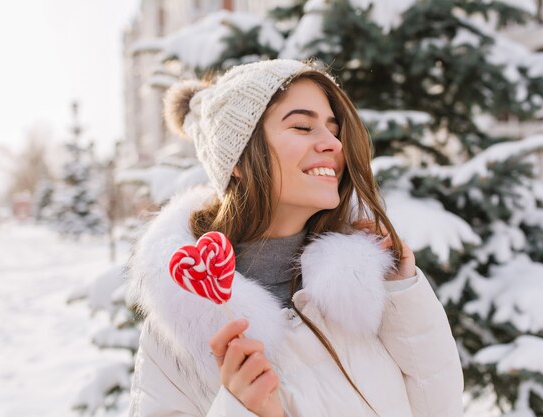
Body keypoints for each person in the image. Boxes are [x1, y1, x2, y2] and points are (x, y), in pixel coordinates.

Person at [127, 59, 464, 417]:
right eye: (303, 126)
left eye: (333, 130)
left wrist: (403, 293)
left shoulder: (363, 287)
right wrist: (239, 410)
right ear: (238, 161)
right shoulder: (173, 337)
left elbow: (440, 407)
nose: (333, 143)